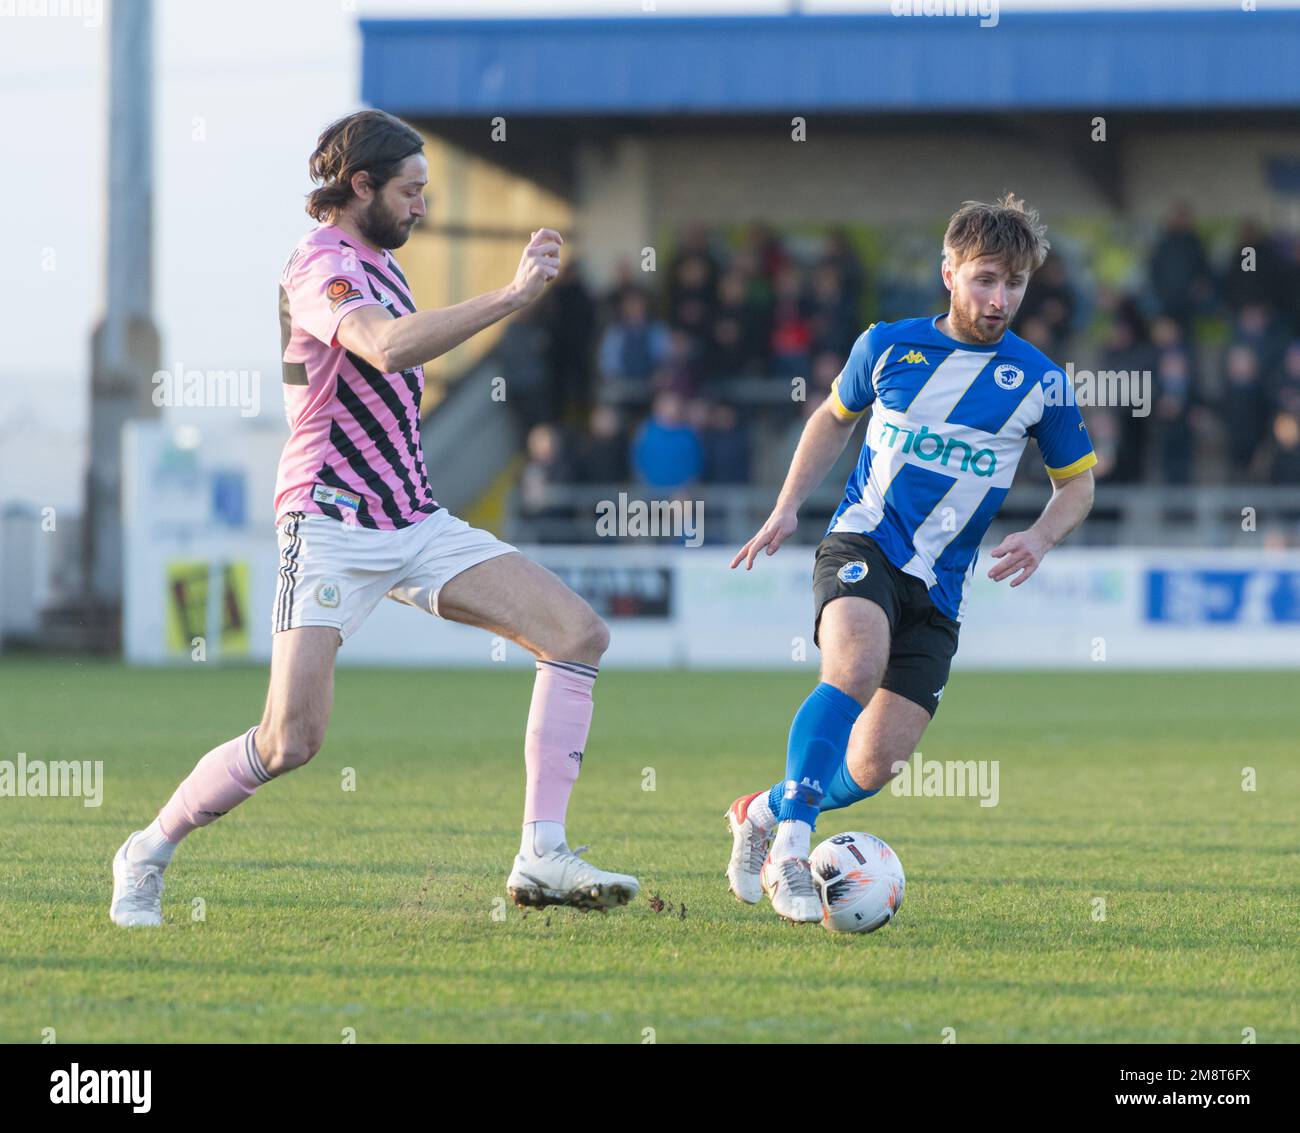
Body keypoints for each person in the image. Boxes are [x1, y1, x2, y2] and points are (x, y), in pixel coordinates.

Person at [110, 109, 638, 927]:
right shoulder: (322, 260)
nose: (423, 205)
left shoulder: (382, 264)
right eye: (411, 189)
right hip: (326, 523)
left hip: (414, 519)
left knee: (577, 634)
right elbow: (385, 348)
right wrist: (510, 296)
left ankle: (541, 851)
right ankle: (147, 849)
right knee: (290, 740)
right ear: (359, 186)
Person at [725, 194, 1097, 923]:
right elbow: (832, 422)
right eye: (986, 278)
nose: (1000, 299)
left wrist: (1043, 535)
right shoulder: (887, 347)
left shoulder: (1042, 381)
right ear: (949, 272)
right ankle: (792, 852)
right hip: (863, 543)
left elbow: (1078, 483)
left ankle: (761, 810)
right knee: (854, 667)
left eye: (1015, 284)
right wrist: (787, 504)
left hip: (942, 590)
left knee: (872, 765)